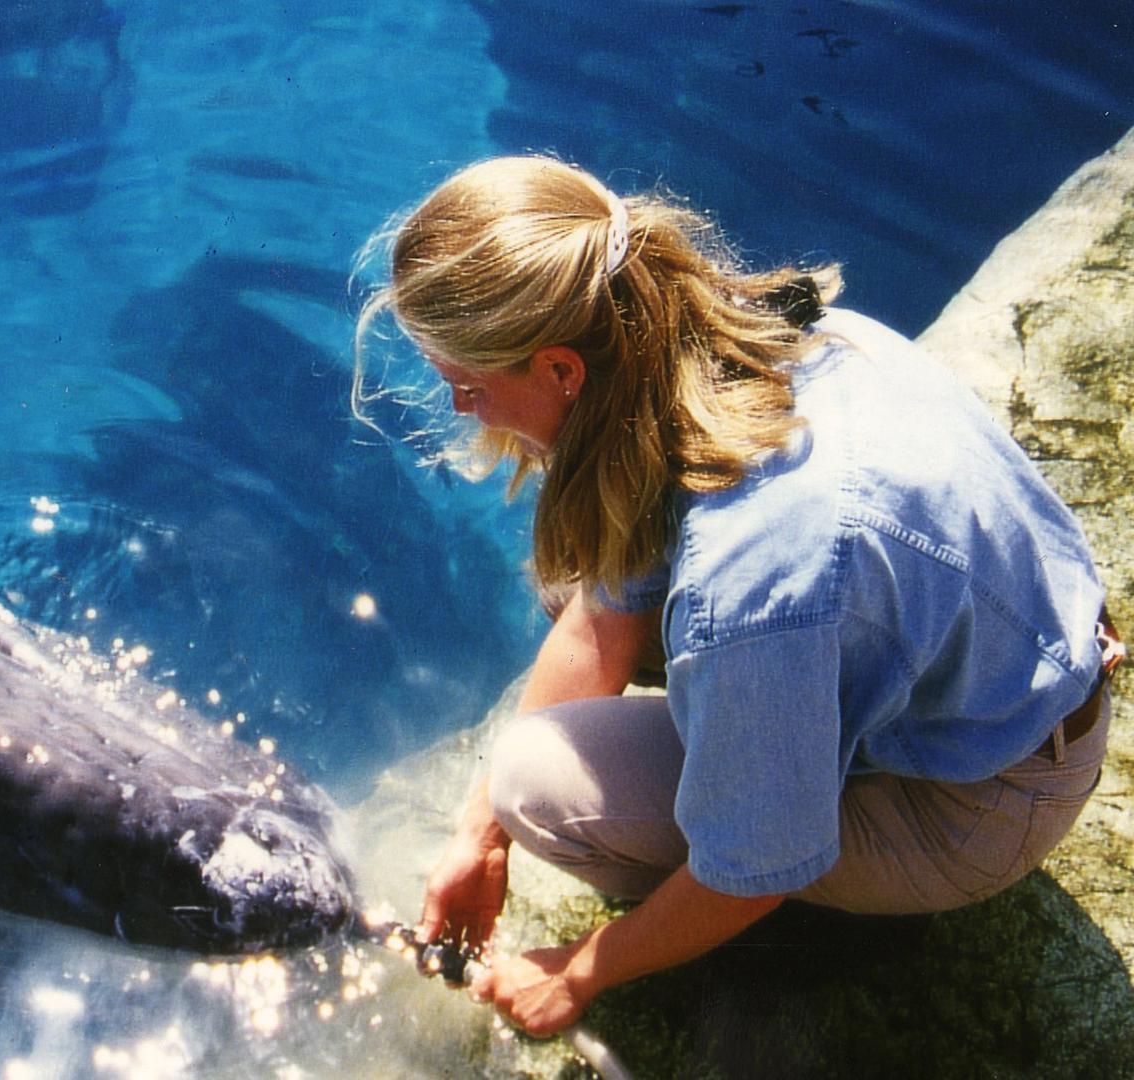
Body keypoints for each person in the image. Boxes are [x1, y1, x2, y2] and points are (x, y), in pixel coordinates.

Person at [351, 156, 1120, 1037]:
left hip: (987, 803)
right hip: (1028, 682)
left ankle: (818, 943)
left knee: (540, 785)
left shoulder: (749, 579)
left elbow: (751, 864)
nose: (461, 407)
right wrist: (476, 833)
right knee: (577, 589)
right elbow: (601, 619)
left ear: (562, 368)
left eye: (471, 386)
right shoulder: (730, 337)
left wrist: (579, 974)